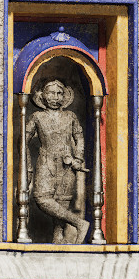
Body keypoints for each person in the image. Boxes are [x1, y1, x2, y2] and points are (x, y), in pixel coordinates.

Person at [26, 77, 90, 243]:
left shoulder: (70, 116)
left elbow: (79, 138)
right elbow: (23, 142)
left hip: (67, 163)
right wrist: (27, 167)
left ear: (64, 97)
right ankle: (79, 223)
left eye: (59, 93)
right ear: (43, 96)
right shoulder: (37, 117)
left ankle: (58, 236)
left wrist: (78, 158)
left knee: (62, 200)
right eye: (51, 93)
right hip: (45, 161)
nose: (55, 97)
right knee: (41, 198)